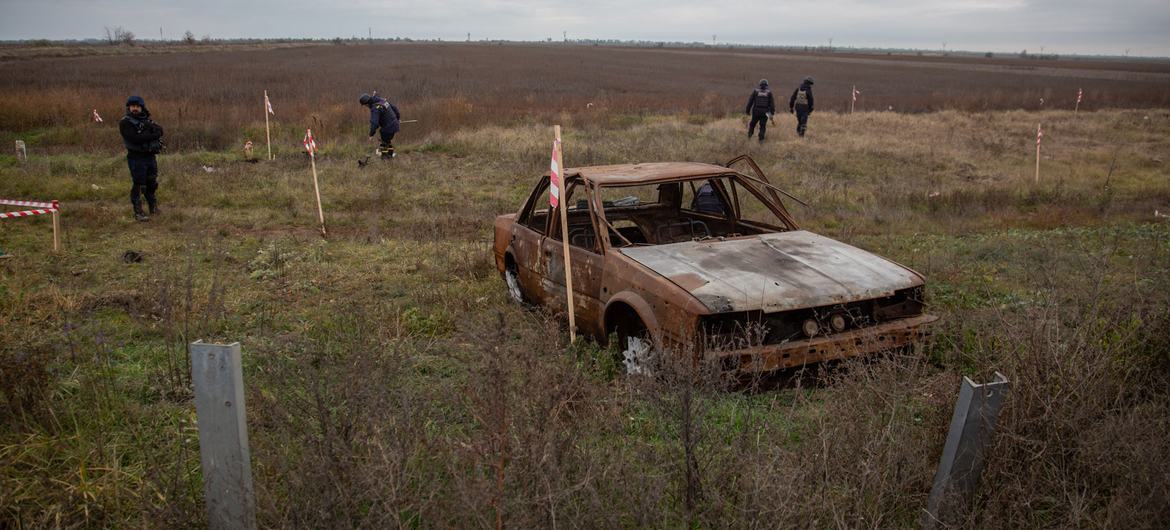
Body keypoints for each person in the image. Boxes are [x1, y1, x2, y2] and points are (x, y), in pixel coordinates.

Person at [118, 95, 164, 221]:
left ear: (141, 108)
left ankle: (153, 207)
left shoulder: (146, 120)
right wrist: (151, 135)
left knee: (152, 183)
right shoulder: (125, 122)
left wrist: (151, 133)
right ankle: (138, 212)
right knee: (139, 185)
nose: (135, 109)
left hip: (150, 156)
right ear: (129, 107)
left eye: (137, 106)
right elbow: (134, 138)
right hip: (136, 157)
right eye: (133, 106)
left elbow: (160, 130)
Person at [359, 92, 401, 159]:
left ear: (366, 104)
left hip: (388, 128)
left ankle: (385, 158)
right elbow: (395, 108)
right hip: (394, 125)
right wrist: (398, 118)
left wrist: (371, 134)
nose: (366, 107)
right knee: (387, 141)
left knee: (384, 143)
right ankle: (389, 156)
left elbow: (374, 123)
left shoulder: (375, 108)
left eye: (365, 105)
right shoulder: (382, 101)